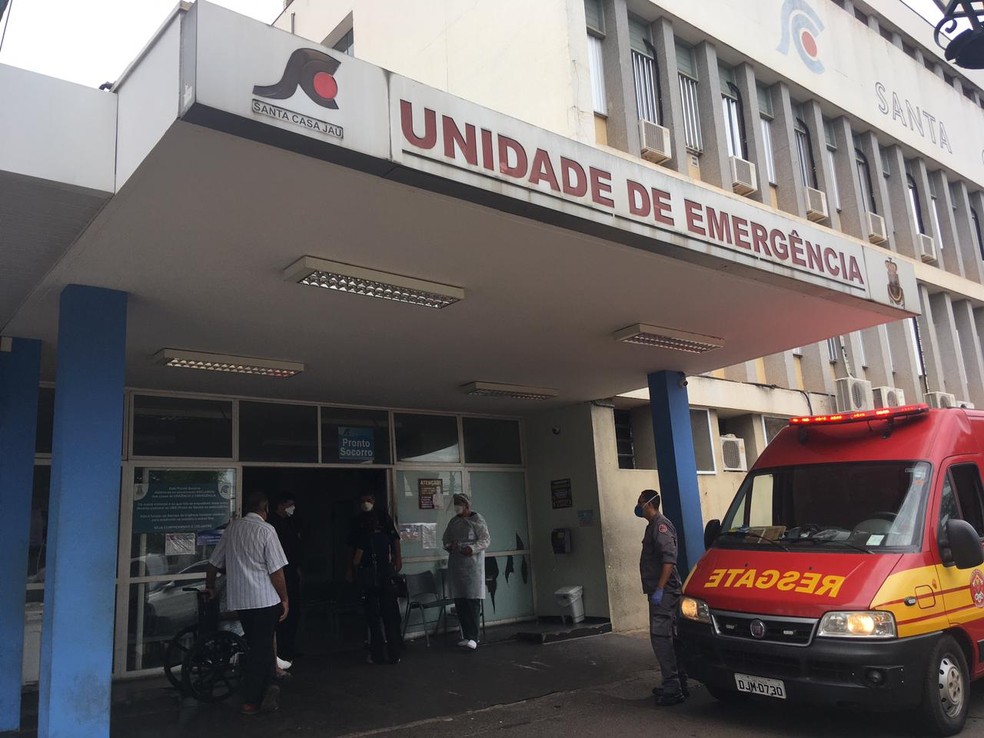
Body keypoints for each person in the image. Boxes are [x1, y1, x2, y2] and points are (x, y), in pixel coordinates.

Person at [206, 490, 289, 716]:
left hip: (241, 601)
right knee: (260, 649)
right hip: (264, 600)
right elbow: (276, 571)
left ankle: (268, 687)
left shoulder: (232, 529)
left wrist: (210, 587)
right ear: (266, 508)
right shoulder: (267, 530)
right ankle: (252, 699)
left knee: (256, 644)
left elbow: (213, 564)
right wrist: (284, 598)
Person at [636, 488, 688, 706]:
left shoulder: (661, 526)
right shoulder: (653, 526)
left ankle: (673, 687)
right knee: (671, 637)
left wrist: (659, 588)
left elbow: (669, 560)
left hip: (665, 592)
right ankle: (678, 683)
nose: (638, 506)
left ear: (649, 504)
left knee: (660, 637)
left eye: (640, 502)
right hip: (662, 591)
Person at [347, 492, 403, 665]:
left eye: (368, 500)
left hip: (369, 577)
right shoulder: (384, 537)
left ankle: (377, 653)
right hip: (386, 575)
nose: (366, 503)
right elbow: (395, 542)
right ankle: (395, 653)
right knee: (390, 616)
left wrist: (351, 570)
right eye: (363, 500)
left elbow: (355, 558)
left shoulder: (364, 538)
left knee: (373, 617)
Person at [442, 493, 490, 650]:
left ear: (467, 505)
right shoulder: (454, 522)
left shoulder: (477, 520)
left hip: (473, 566)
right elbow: (446, 539)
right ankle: (466, 635)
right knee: (460, 600)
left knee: (472, 601)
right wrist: (450, 546)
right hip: (457, 564)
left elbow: (485, 539)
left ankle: (474, 637)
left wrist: (472, 548)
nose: (457, 507)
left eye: (459, 504)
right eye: (455, 504)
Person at [268, 492, 303, 665]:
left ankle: (289, 648)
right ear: (281, 505)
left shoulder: (289, 522)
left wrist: (297, 568)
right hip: (279, 574)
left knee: (294, 612)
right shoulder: (271, 525)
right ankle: (280, 652)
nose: (292, 508)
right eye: (290, 504)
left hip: (291, 573)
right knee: (282, 613)